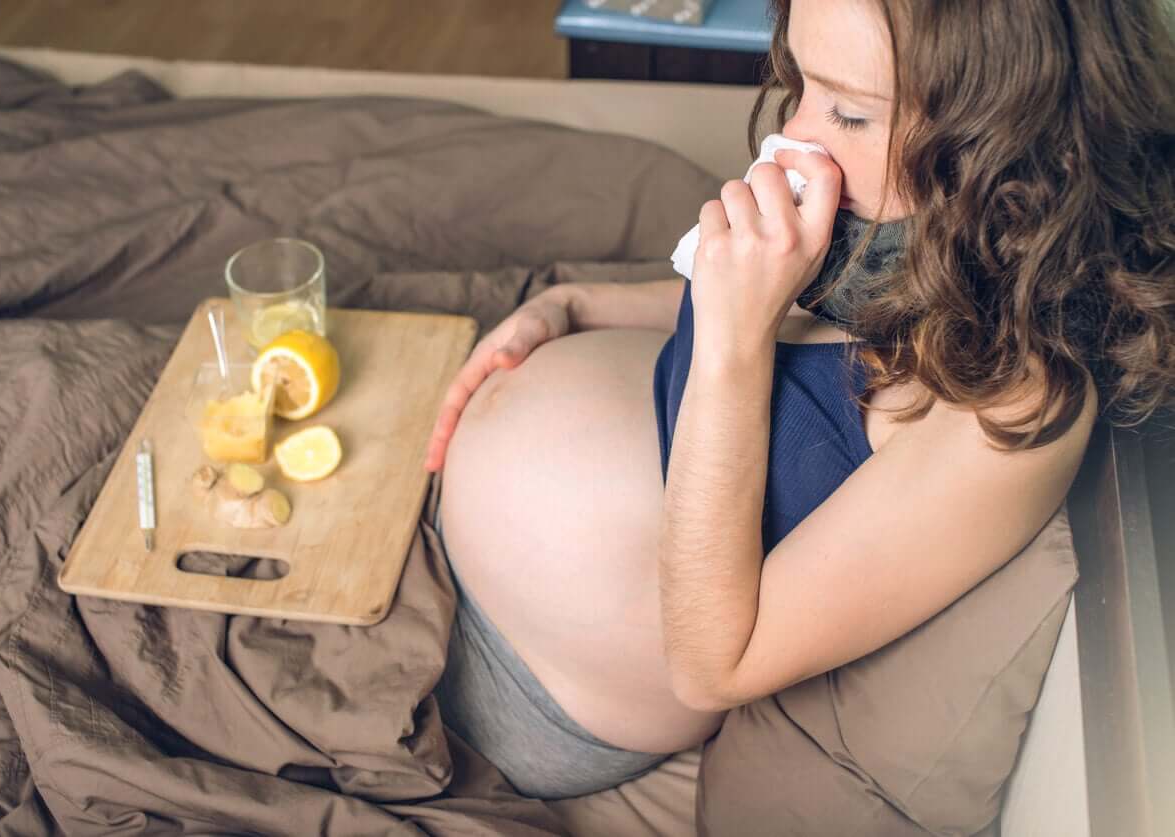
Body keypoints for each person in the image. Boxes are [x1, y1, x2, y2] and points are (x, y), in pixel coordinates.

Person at [420, 0, 1175, 801]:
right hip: (443, 548)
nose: (799, 135)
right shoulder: (906, 227)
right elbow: (752, 301)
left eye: (848, 110)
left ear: (1002, 136)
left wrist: (733, 343)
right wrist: (572, 305)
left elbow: (715, 664)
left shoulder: (1010, 409)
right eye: (800, 85)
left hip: (519, 686)